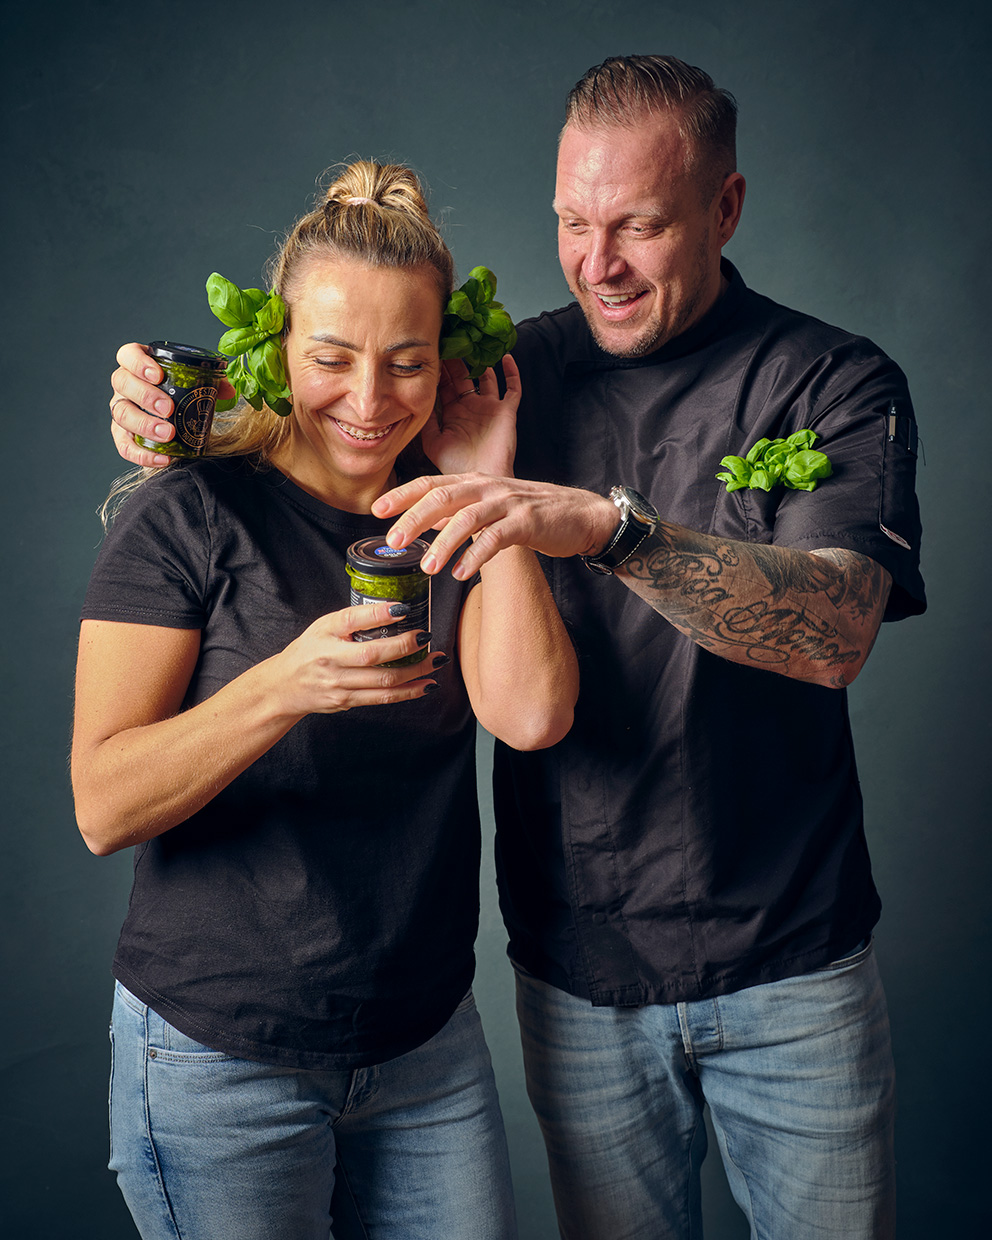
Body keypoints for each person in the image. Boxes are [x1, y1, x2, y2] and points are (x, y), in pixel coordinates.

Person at [106, 56, 927, 1240]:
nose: (597, 264)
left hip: (789, 960)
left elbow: (836, 627)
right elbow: (339, 373)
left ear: (725, 209)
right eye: (572, 223)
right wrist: (166, 396)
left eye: (639, 225)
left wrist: (607, 530)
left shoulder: (831, 378)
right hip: (576, 969)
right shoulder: (499, 380)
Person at [73, 159, 577, 1240]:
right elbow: (102, 804)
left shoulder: (446, 515)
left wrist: (485, 484)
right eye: (331, 358)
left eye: (405, 362)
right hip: (220, 1059)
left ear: (446, 361)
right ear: (276, 352)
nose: (367, 399)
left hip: (425, 1047)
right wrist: (283, 684)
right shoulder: (189, 515)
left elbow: (530, 715)